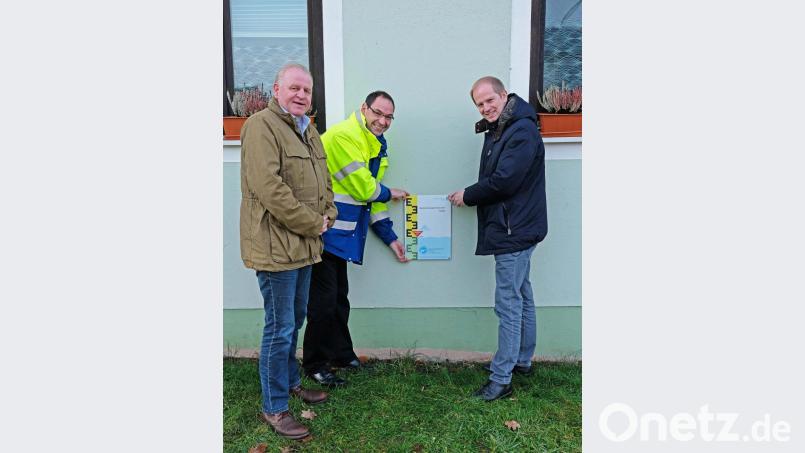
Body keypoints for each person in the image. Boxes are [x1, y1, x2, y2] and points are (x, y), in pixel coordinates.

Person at [239, 63, 337, 439]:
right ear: (277, 89)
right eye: (294, 88)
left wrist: (328, 211)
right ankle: (274, 406)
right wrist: (315, 223)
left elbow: (323, 180)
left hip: (305, 246)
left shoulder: (306, 128)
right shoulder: (261, 125)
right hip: (276, 247)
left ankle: (290, 382)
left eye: (307, 91)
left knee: (294, 319)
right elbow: (270, 188)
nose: (301, 95)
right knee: (279, 328)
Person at [448, 76, 548, 401]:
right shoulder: (502, 128)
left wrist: (468, 195)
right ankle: (522, 360)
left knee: (508, 302)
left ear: (504, 95)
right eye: (479, 104)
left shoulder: (520, 130)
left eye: (490, 100)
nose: (486, 107)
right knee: (521, 293)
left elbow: (504, 181)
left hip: (513, 229)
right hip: (518, 225)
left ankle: (500, 379)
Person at [303, 91, 410, 387]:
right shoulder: (342, 136)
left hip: (344, 235)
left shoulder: (377, 144)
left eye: (389, 117)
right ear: (363, 109)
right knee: (323, 304)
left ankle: (340, 354)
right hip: (324, 232)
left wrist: (390, 237)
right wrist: (392, 193)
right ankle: (314, 364)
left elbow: (371, 199)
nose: (383, 121)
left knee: (338, 299)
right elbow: (366, 189)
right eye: (378, 113)